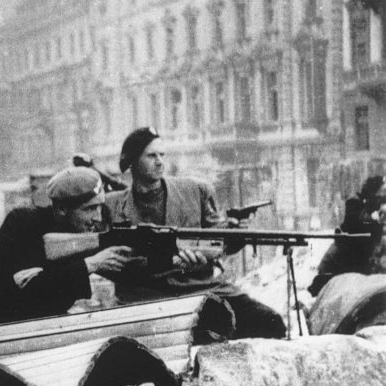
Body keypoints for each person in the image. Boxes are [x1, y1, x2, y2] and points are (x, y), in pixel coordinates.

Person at [104, 127, 286, 341]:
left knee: (269, 322)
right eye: (151, 156)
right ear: (133, 161)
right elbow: (112, 264)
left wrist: (236, 233)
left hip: (199, 288)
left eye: (162, 155)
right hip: (144, 296)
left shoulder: (194, 191)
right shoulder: (113, 206)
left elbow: (218, 241)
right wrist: (169, 262)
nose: (160, 161)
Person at [0, 166, 131, 333]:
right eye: (89, 209)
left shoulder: (79, 233)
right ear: (61, 209)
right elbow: (31, 292)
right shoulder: (23, 224)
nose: (97, 218)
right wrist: (90, 265)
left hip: (27, 330)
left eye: (99, 207)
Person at [310, 176, 386, 296]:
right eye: (380, 195)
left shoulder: (377, 205)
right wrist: (374, 218)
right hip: (341, 259)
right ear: (372, 192)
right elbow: (356, 219)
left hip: (362, 258)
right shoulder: (354, 202)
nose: (382, 200)